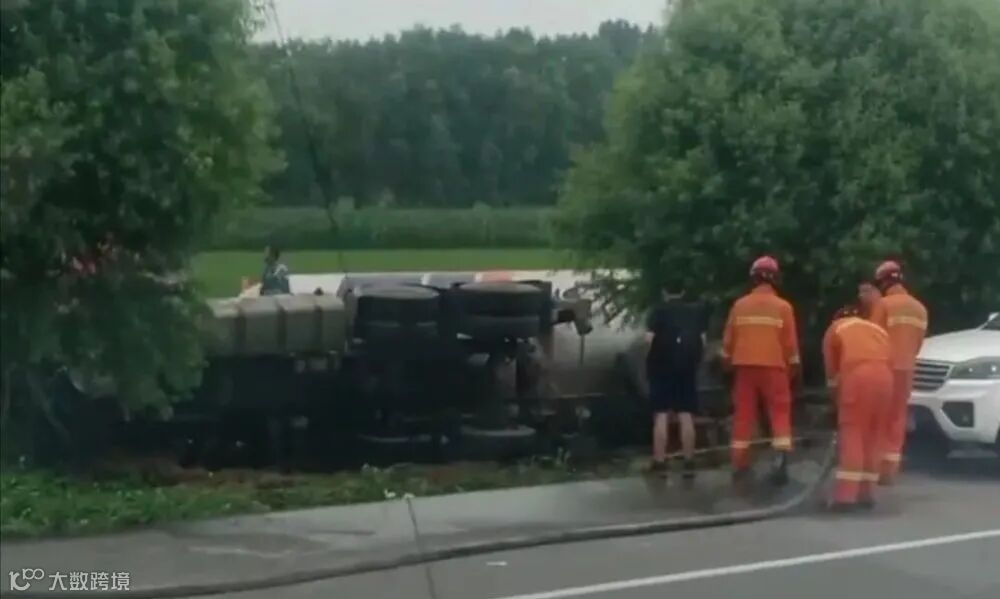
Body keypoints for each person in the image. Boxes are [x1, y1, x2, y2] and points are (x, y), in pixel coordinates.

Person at [721, 256, 801, 486]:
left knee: (744, 415)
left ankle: (740, 463)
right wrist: (793, 371)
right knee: (780, 414)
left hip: (744, 367)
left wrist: (727, 365)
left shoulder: (739, 305)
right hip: (775, 368)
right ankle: (781, 462)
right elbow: (791, 346)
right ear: (775, 279)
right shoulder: (783, 307)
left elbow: (727, 343)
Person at [822, 304, 893, 512]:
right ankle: (866, 493)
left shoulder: (835, 329)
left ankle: (846, 496)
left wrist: (835, 401)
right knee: (873, 434)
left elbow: (831, 372)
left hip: (858, 378)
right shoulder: (878, 330)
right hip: (885, 380)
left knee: (852, 433)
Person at [868, 260, 928, 484]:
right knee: (897, 417)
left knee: (877, 416)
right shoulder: (920, 308)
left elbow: (872, 337)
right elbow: (918, 343)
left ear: (883, 282)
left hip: (884, 367)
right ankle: (889, 470)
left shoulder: (883, 305)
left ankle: (873, 467)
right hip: (907, 369)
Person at [644, 284, 709, 479]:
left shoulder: (658, 311)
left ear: (664, 292)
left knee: (661, 414)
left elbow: (648, 340)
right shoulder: (694, 312)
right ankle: (689, 460)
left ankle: (659, 461)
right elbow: (703, 341)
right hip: (686, 369)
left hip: (661, 368)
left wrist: (651, 360)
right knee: (686, 414)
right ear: (683, 292)